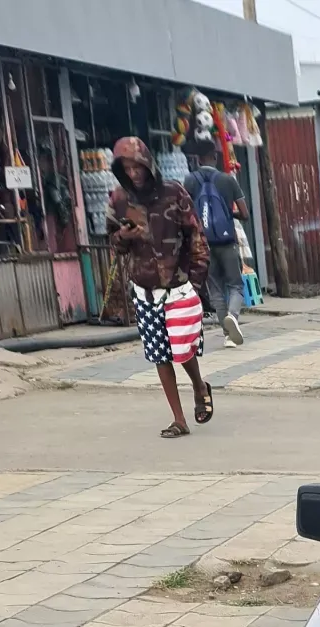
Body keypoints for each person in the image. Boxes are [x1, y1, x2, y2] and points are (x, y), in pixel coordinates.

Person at [106, 136, 211, 439]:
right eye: (127, 168)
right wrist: (123, 238)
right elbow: (113, 241)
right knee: (159, 355)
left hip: (178, 287)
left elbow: (196, 237)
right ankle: (179, 419)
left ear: (148, 164)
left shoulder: (174, 193)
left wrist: (196, 282)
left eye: (137, 167)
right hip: (144, 290)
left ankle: (199, 386)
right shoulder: (119, 199)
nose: (133, 173)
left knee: (183, 350)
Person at [182, 138, 247, 347]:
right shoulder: (228, 180)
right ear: (215, 157)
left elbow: (186, 213)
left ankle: (228, 336)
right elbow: (245, 214)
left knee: (216, 289)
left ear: (198, 159)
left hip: (204, 244)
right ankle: (233, 317)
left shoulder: (189, 181)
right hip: (227, 241)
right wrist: (228, 214)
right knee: (236, 285)